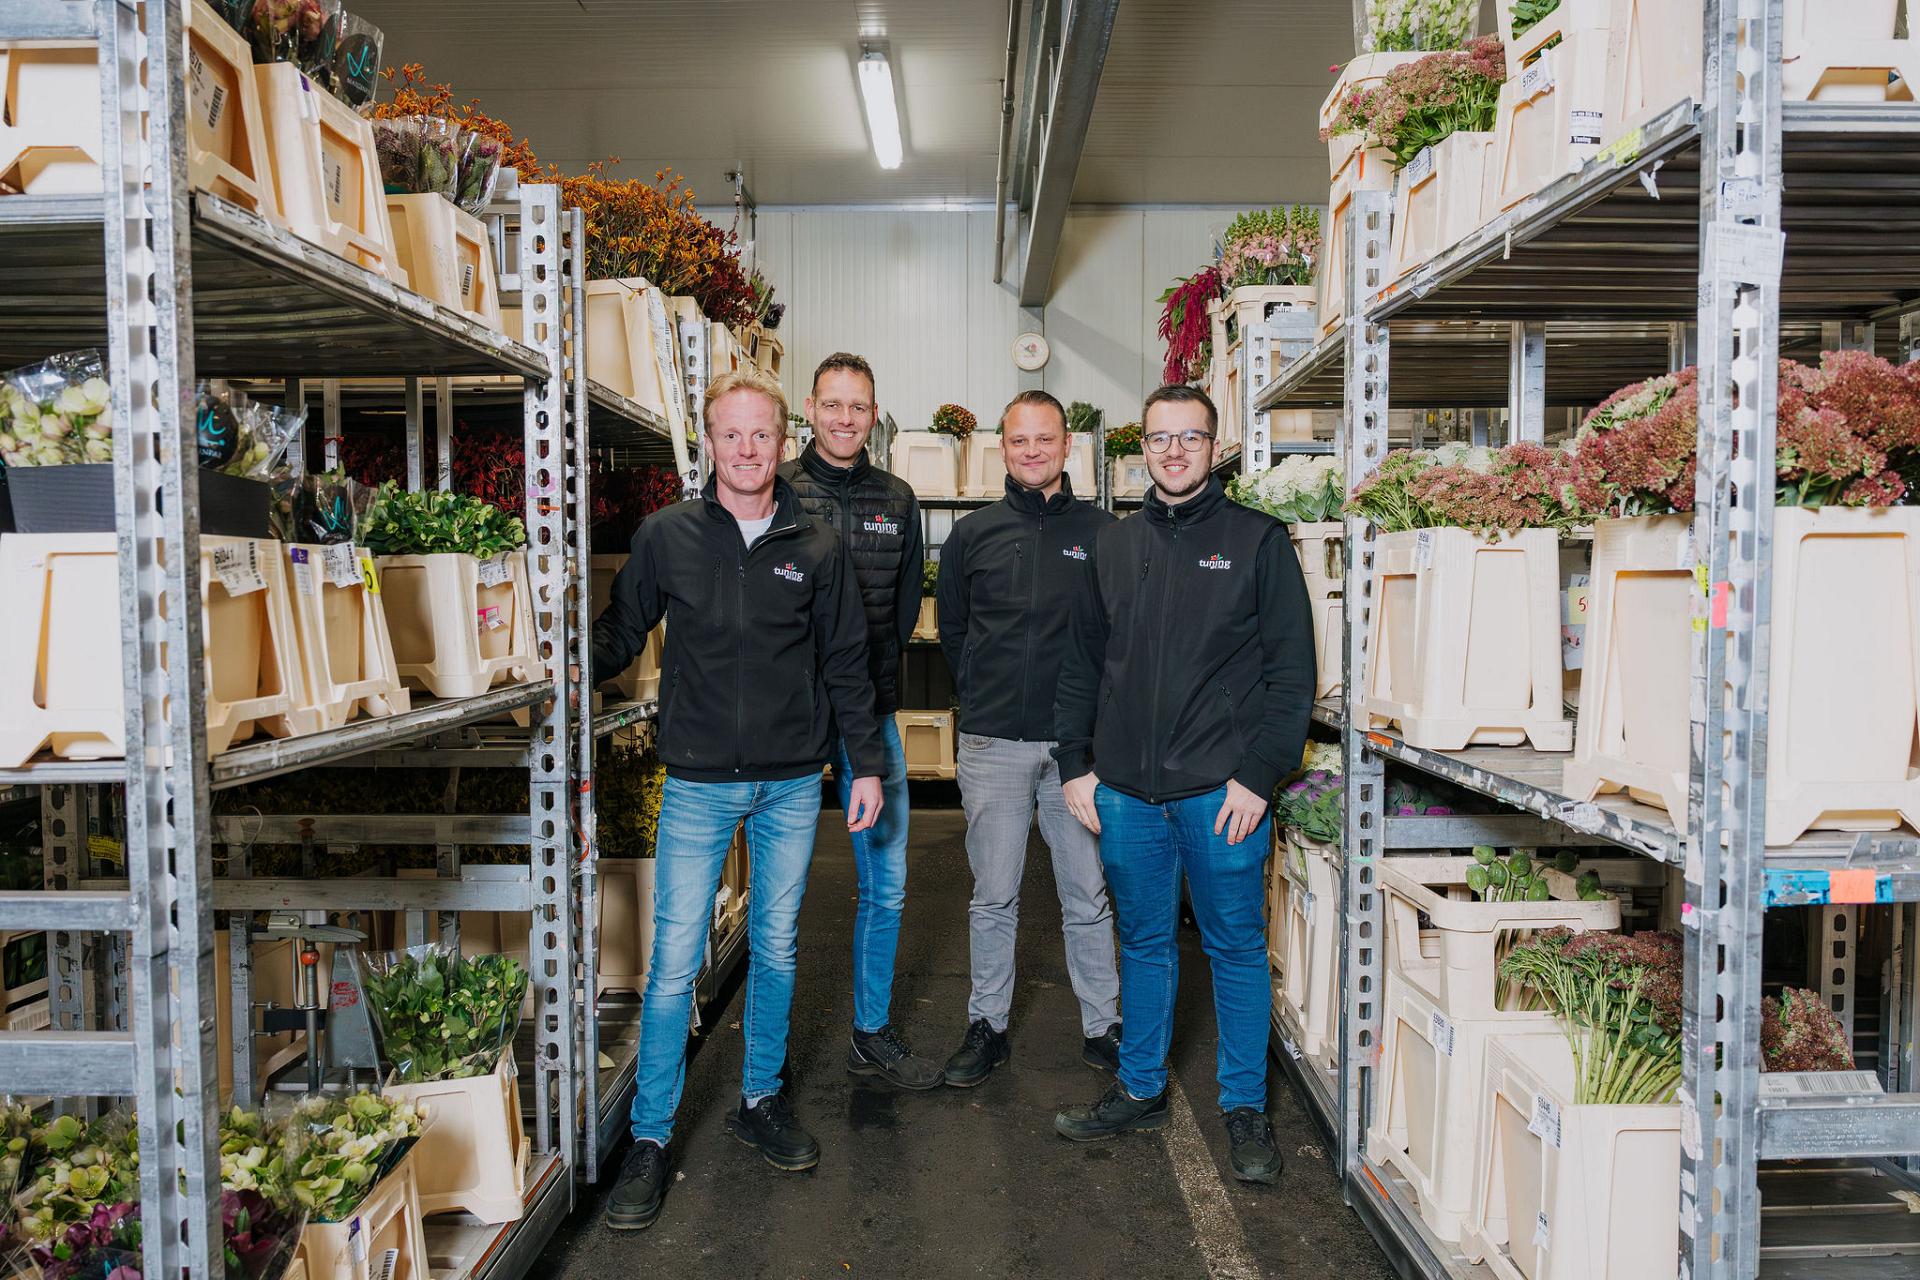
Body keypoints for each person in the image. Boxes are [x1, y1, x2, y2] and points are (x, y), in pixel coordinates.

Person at [593, 369, 887, 1230]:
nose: (748, 450)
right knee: (674, 962)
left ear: (781, 436)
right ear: (710, 441)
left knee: (779, 944)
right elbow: (621, 628)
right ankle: (650, 1139)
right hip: (698, 782)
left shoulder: (818, 546)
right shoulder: (668, 537)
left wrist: (864, 763)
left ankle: (760, 1098)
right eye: (732, 435)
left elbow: (847, 664)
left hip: (795, 780)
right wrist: (561, 663)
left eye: (762, 434)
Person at [1049, 384, 1315, 1185]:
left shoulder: (1258, 543)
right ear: (1143, 450)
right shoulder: (1114, 546)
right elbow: (1081, 665)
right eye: (1159, 439)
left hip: (1220, 794)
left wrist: (1258, 776)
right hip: (1127, 793)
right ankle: (1140, 1088)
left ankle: (1243, 1109)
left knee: (1235, 948)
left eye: (1188, 437)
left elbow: (1292, 673)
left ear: (1214, 444)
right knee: (1145, 943)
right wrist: (1076, 765)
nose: (1172, 451)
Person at [935, 390, 1121, 1087]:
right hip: (993, 746)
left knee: (1086, 894)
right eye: (1019, 441)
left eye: (1046, 439)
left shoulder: (1104, 533)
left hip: (1078, 754)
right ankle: (987, 1025)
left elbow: (1117, 637)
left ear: (1068, 446)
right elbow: (954, 630)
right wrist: (985, 691)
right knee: (993, 896)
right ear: (1002, 447)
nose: (1033, 451)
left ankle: (1103, 1026)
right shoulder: (973, 534)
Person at [778, 352, 941, 1090]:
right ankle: (766, 1051)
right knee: (781, 891)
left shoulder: (899, 500)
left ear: (875, 415)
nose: (845, 418)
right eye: (833, 404)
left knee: (887, 881)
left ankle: (870, 1029)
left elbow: (904, 608)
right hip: (785, 716)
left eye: (860, 406)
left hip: (868, 715)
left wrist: (870, 682)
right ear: (809, 409)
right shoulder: (775, 489)